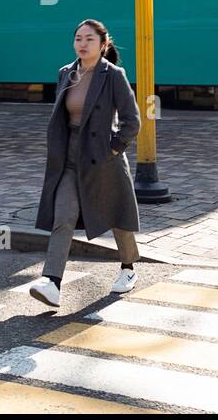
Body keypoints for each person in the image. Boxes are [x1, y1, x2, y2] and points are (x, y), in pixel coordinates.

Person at [30, 19, 141, 308]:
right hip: (69, 157)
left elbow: (132, 120)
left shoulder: (113, 75)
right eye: (78, 38)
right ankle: (52, 281)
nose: (82, 43)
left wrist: (115, 149)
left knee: (117, 216)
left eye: (89, 39)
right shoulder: (66, 73)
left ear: (103, 45)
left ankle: (128, 268)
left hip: (103, 156)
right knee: (63, 217)